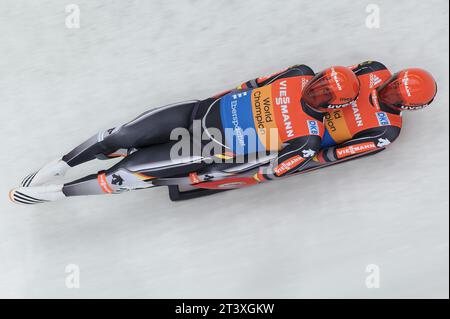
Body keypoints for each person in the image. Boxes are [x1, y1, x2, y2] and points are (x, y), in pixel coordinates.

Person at [9, 65, 360, 205]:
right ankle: (62, 163)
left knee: (125, 174)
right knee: (120, 133)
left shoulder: (309, 139)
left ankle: (60, 192)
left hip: (204, 147)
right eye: (320, 85)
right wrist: (215, 99)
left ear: (332, 108)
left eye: (325, 96)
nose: (316, 91)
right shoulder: (298, 73)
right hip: (196, 111)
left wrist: (212, 175)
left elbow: (269, 169)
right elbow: (251, 85)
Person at [293, 61, 437, 174]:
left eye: (396, 95)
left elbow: (341, 152)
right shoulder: (373, 69)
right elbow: (327, 78)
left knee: (276, 141)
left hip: (299, 136)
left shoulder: (387, 131)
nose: (390, 92)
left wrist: (312, 157)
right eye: (394, 85)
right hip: (295, 105)